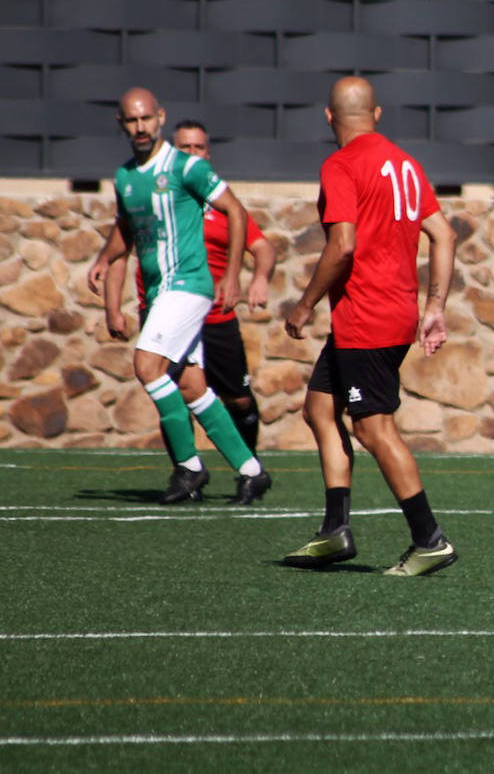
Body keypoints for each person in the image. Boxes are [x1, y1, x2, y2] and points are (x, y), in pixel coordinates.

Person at [283, 76, 458, 577]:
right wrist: (435, 306)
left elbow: (343, 246)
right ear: (377, 115)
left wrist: (305, 305)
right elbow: (443, 235)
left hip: (366, 318)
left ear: (328, 116)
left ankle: (430, 540)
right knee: (319, 409)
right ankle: (335, 529)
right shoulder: (405, 163)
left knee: (372, 427)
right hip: (388, 314)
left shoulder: (340, 165)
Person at [87, 88, 270, 505]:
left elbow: (236, 211)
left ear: (160, 118)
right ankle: (250, 470)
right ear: (121, 124)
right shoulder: (126, 176)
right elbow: (125, 230)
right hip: (158, 292)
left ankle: (189, 467)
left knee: (146, 364)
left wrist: (235, 276)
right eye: (131, 121)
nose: (140, 127)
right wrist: (103, 259)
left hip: (188, 284)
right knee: (191, 387)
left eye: (146, 119)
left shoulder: (187, 167)